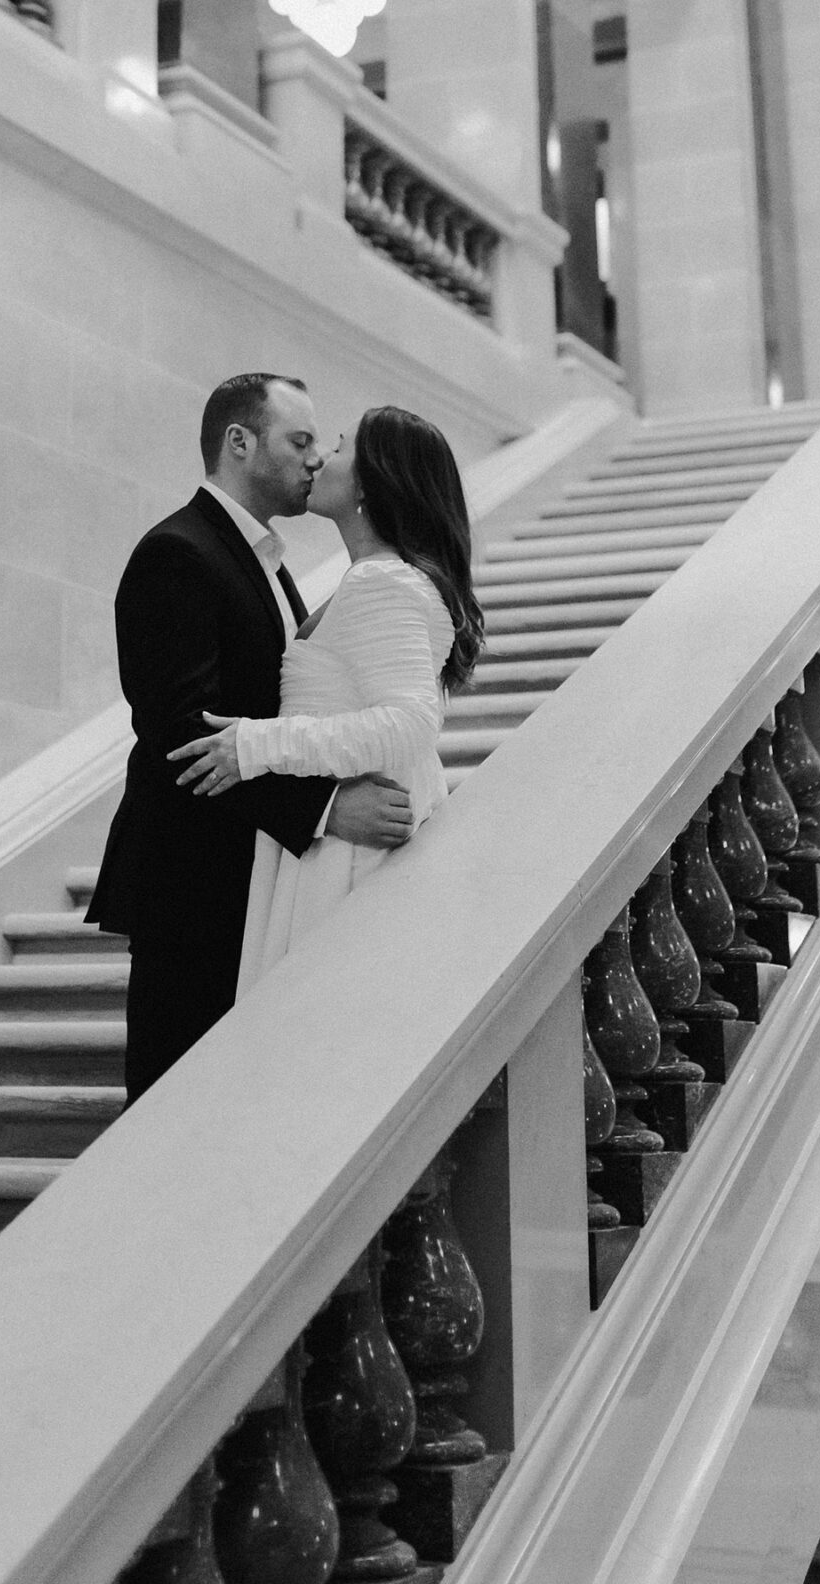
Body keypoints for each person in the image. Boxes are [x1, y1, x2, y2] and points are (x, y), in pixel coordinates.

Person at [85, 373, 416, 1101]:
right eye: (298, 441)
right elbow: (183, 734)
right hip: (192, 884)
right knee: (175, 1111)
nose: (312, 460)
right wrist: (325, 809)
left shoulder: (267, 561)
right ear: (239, 442)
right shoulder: (177, 552)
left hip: (253, 880)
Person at [169, 404, 482, 992]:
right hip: (337, 835)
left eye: (337, 448)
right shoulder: (372, 577)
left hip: (352, 857)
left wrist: (256, 743)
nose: (319, 459)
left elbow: (410, 721)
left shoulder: (381, 581)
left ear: (370, 482)